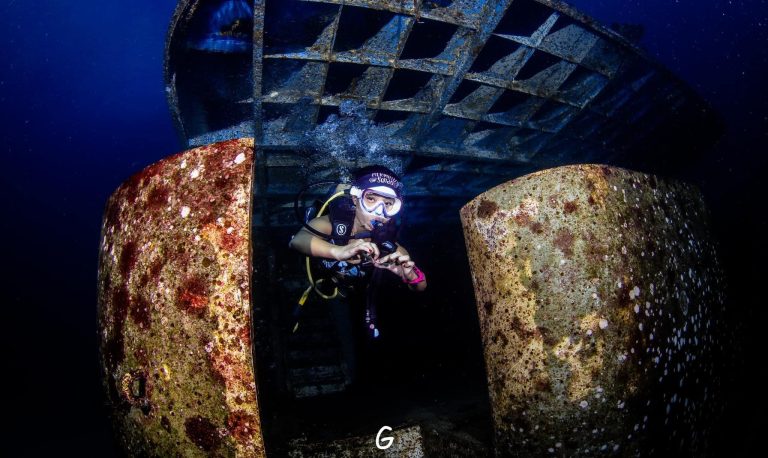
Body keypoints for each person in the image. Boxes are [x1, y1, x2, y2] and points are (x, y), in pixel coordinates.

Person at [289, 165, 427, 343]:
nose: (379, 211)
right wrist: (337, 251)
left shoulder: (390, 246)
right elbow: (297, 241)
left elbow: (421, 286)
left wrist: (409, 275)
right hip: (319, 280)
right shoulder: (335, 223)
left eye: (387, 204)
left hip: (353, 293)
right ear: (355, 199)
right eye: (371, 199)